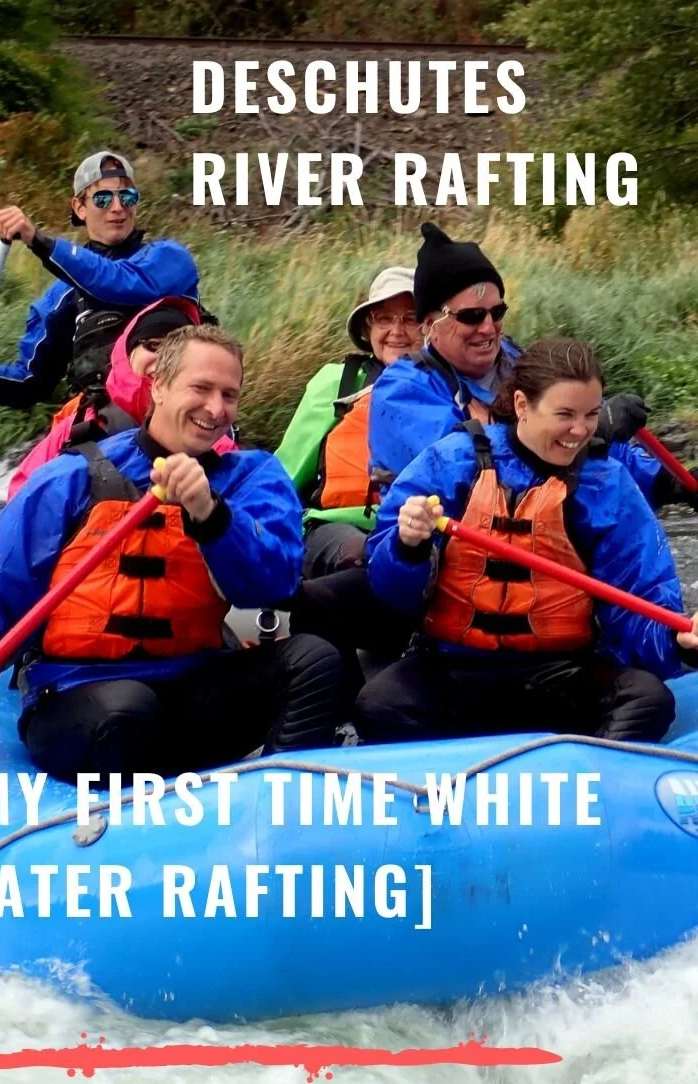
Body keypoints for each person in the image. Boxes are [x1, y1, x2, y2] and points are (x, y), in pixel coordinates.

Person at [0, 326, 343, 781]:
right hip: (82, 695)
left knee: (312, 660)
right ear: (158, 384)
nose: (216, 409)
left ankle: (276, 811)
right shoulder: (73, 476)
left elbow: (273, 583)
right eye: (201, 388)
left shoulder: (251, 478)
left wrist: (210, 515)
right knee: (127, 712)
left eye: (229, 394)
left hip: (191, 688)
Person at [356, 338, 698, 746]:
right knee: (377, 705)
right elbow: (389, 592)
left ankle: (590, 775)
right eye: (565, 414)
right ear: (521, 405)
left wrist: (678, 641)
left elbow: (643, 601)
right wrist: (407, 546)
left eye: (591, 415)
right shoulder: (452, 462)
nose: (581, 431)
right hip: (453, 668)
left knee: (647, 700)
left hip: (559, 674)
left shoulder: (607, 484)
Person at [368, 222, 697, 511]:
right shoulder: (402, 391)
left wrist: (666, 482)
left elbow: (587, 448)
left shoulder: (514, 360)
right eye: (471, 316)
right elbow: (461, 465)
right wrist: (592, 427)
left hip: (536, 524)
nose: (488, 327)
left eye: (496, 312)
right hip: (448, 544)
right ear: (429, 323)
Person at [0, 151, 199, 417]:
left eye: (127, 196)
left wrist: (39, 241)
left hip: (175, 408)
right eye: (103, 198)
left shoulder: (169, 258)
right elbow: (33, 382)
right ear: (79, 207)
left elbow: (118, 282)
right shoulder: (59, 297)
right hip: (104, 420)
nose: (118, 207)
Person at [6, 296, 236, 498]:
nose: (163, 361)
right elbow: (22, 496)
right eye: (153, 346)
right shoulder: (81, 418)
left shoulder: (212, 436)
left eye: (175, 354)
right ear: (129, 352)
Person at [276, 267, 422, 577]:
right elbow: (286, 474)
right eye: (384, 318)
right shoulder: (336, 382)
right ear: (369, 328)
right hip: (337, 527)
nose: (397, 331)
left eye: (410, 318)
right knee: (361, 556)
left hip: (418, 529)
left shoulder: (448, 389)